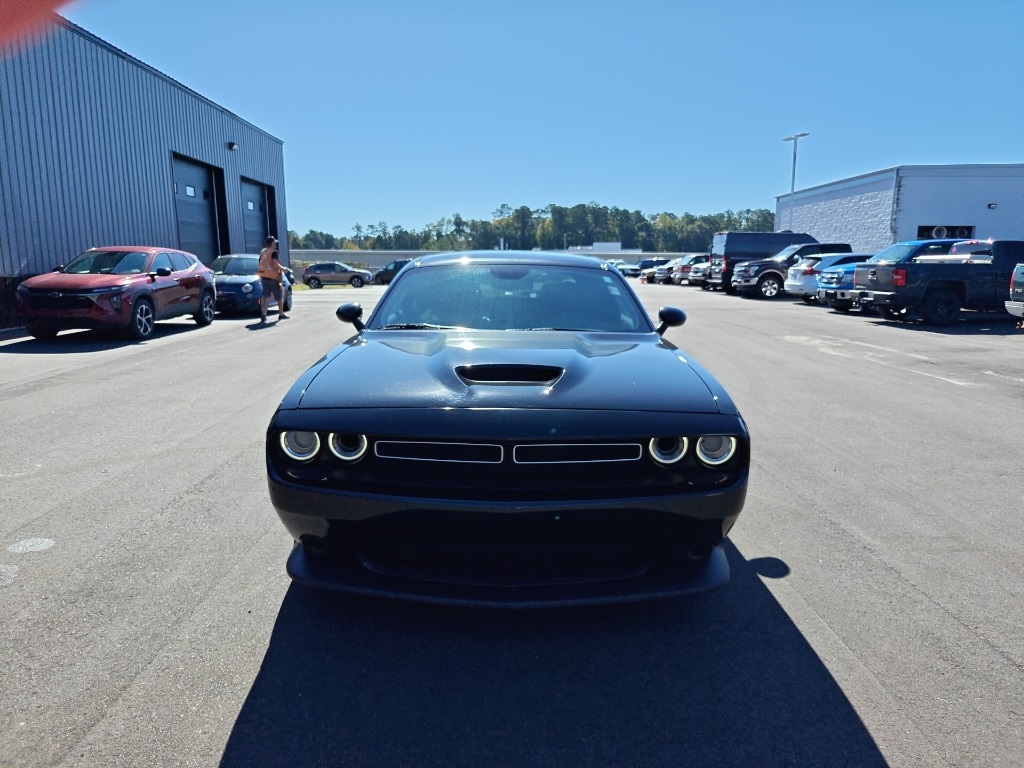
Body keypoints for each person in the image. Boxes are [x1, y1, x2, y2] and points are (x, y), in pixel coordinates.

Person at [256, 236, 288, 322]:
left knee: (266, 297)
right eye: (275, 243)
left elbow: (260, 262)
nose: (276, 244)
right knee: (279, 297)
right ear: (272, 244)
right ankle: (281, 314)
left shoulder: (263, 252)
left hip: (263, 277)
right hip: (273, 278)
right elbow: (275, 264)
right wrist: (284, 269)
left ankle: (264, 314)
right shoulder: (274, 252)